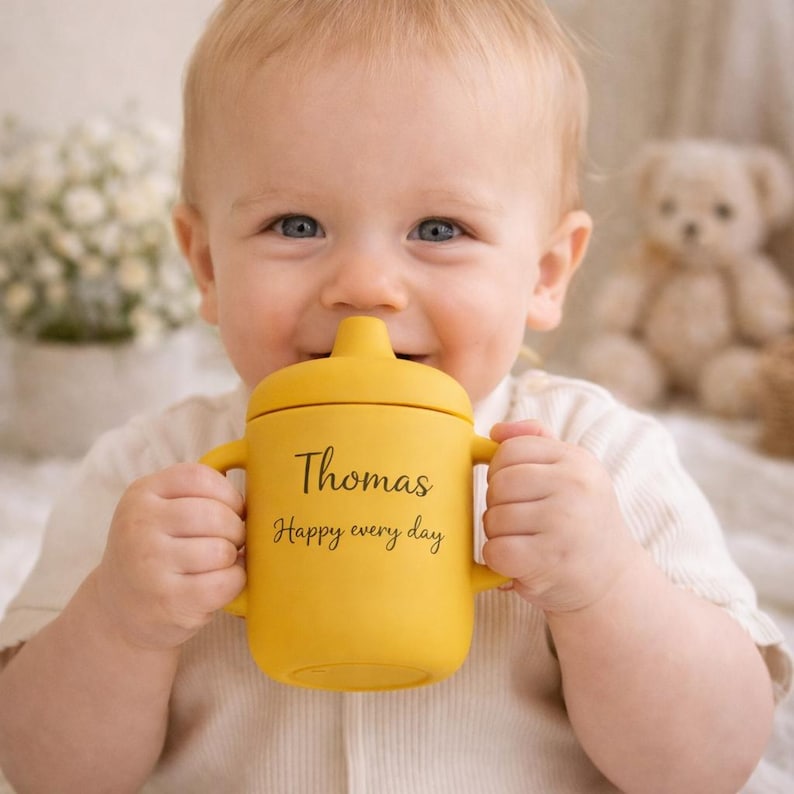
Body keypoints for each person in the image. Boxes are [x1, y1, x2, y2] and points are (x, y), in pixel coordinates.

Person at [0, 1, 790, 791]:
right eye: (296, 224)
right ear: (206, 265)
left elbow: (710, 764)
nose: (366, 285)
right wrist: (120, 621)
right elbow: (43, 771)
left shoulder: (600, 459)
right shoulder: (150, 474)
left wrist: (608, 587)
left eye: (439, 230)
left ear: (545, 274)